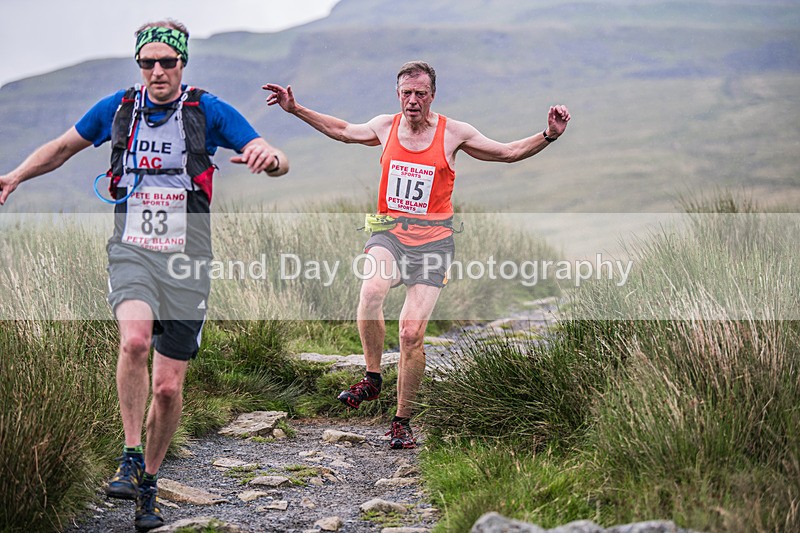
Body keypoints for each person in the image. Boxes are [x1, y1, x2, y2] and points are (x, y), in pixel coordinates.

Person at [0, 20, 288, 531]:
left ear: (182, 64)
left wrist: (271, 158)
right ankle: (131, 454)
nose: (157, 71)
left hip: (187, 262)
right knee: (133, 342)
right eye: (147, 62)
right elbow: (63, 146)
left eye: (167, 62)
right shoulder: (118, 108)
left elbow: (274, 155)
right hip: (131, 251)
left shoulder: (206, 110)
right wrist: (15, 176)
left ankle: (150, 482)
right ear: (139, 65)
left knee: (169, 390)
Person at [263, 61, 569, 449]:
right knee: (372, 291)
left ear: (432, 95)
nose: (412, 100)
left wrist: (549, 135)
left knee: (411, 333)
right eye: (406, 93)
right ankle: (372, 378)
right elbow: (342, 131)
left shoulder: (454, 133)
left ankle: (401, 421)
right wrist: (297, 109)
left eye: (420, 94)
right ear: (398, 94)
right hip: (388, 233)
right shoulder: (385, 126)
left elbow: (507, 153)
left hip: (433, 244)